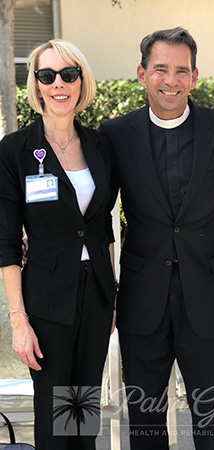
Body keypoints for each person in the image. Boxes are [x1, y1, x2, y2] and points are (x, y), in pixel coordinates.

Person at [100, 27, 214, 450]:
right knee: (144, 422)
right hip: (143, 300)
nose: (171, 80)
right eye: (160, 68)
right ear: (141, 74)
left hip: (210, 297)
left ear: (195, 77)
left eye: (182, 70)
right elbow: (94, 214)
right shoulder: (115, 134)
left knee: (211, 422)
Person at [0, 39, 116, 450]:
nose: (58, 84)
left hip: (97, 296)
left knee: (83, 413)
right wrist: (19, 321)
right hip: (47, 301)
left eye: (69, 74)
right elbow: (6, 242)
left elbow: (103, 227)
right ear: (36, 84)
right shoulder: (14, 151)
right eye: (47, 76)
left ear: (81, 81)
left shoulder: (100, 145)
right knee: (54, 415)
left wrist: (112, 293)